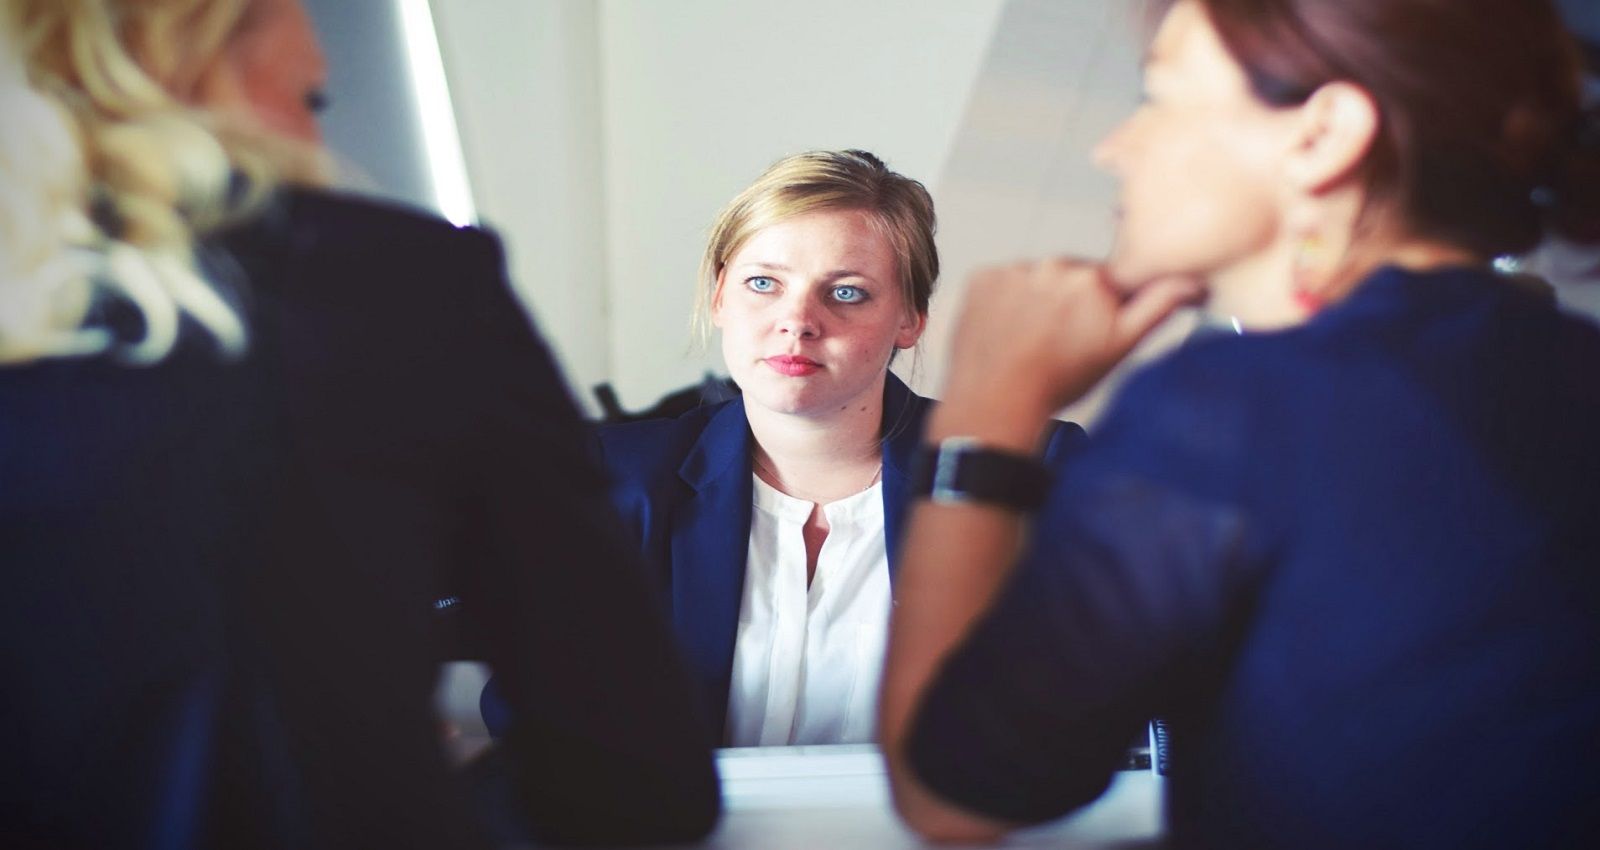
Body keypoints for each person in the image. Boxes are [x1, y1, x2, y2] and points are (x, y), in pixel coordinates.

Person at [879, 0, 1600, 848]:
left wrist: (990, 402)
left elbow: (953, 798)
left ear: (1322, 134)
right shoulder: (1572, 366)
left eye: (1162, 98)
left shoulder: (1232, 412)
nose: (1113, 147)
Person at [0, 1, 718, 848]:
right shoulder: (393, 284)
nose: (315, 145)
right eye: (314, 103)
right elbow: (634, 775)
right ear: (195, 46)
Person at [596, 150, 1086, 747]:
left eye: (847, 293)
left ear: (910, 319)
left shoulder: (1029, 471)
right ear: (721, 296)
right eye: (763, 283)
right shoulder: (613, 479)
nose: (797, 321)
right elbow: (541, 725)